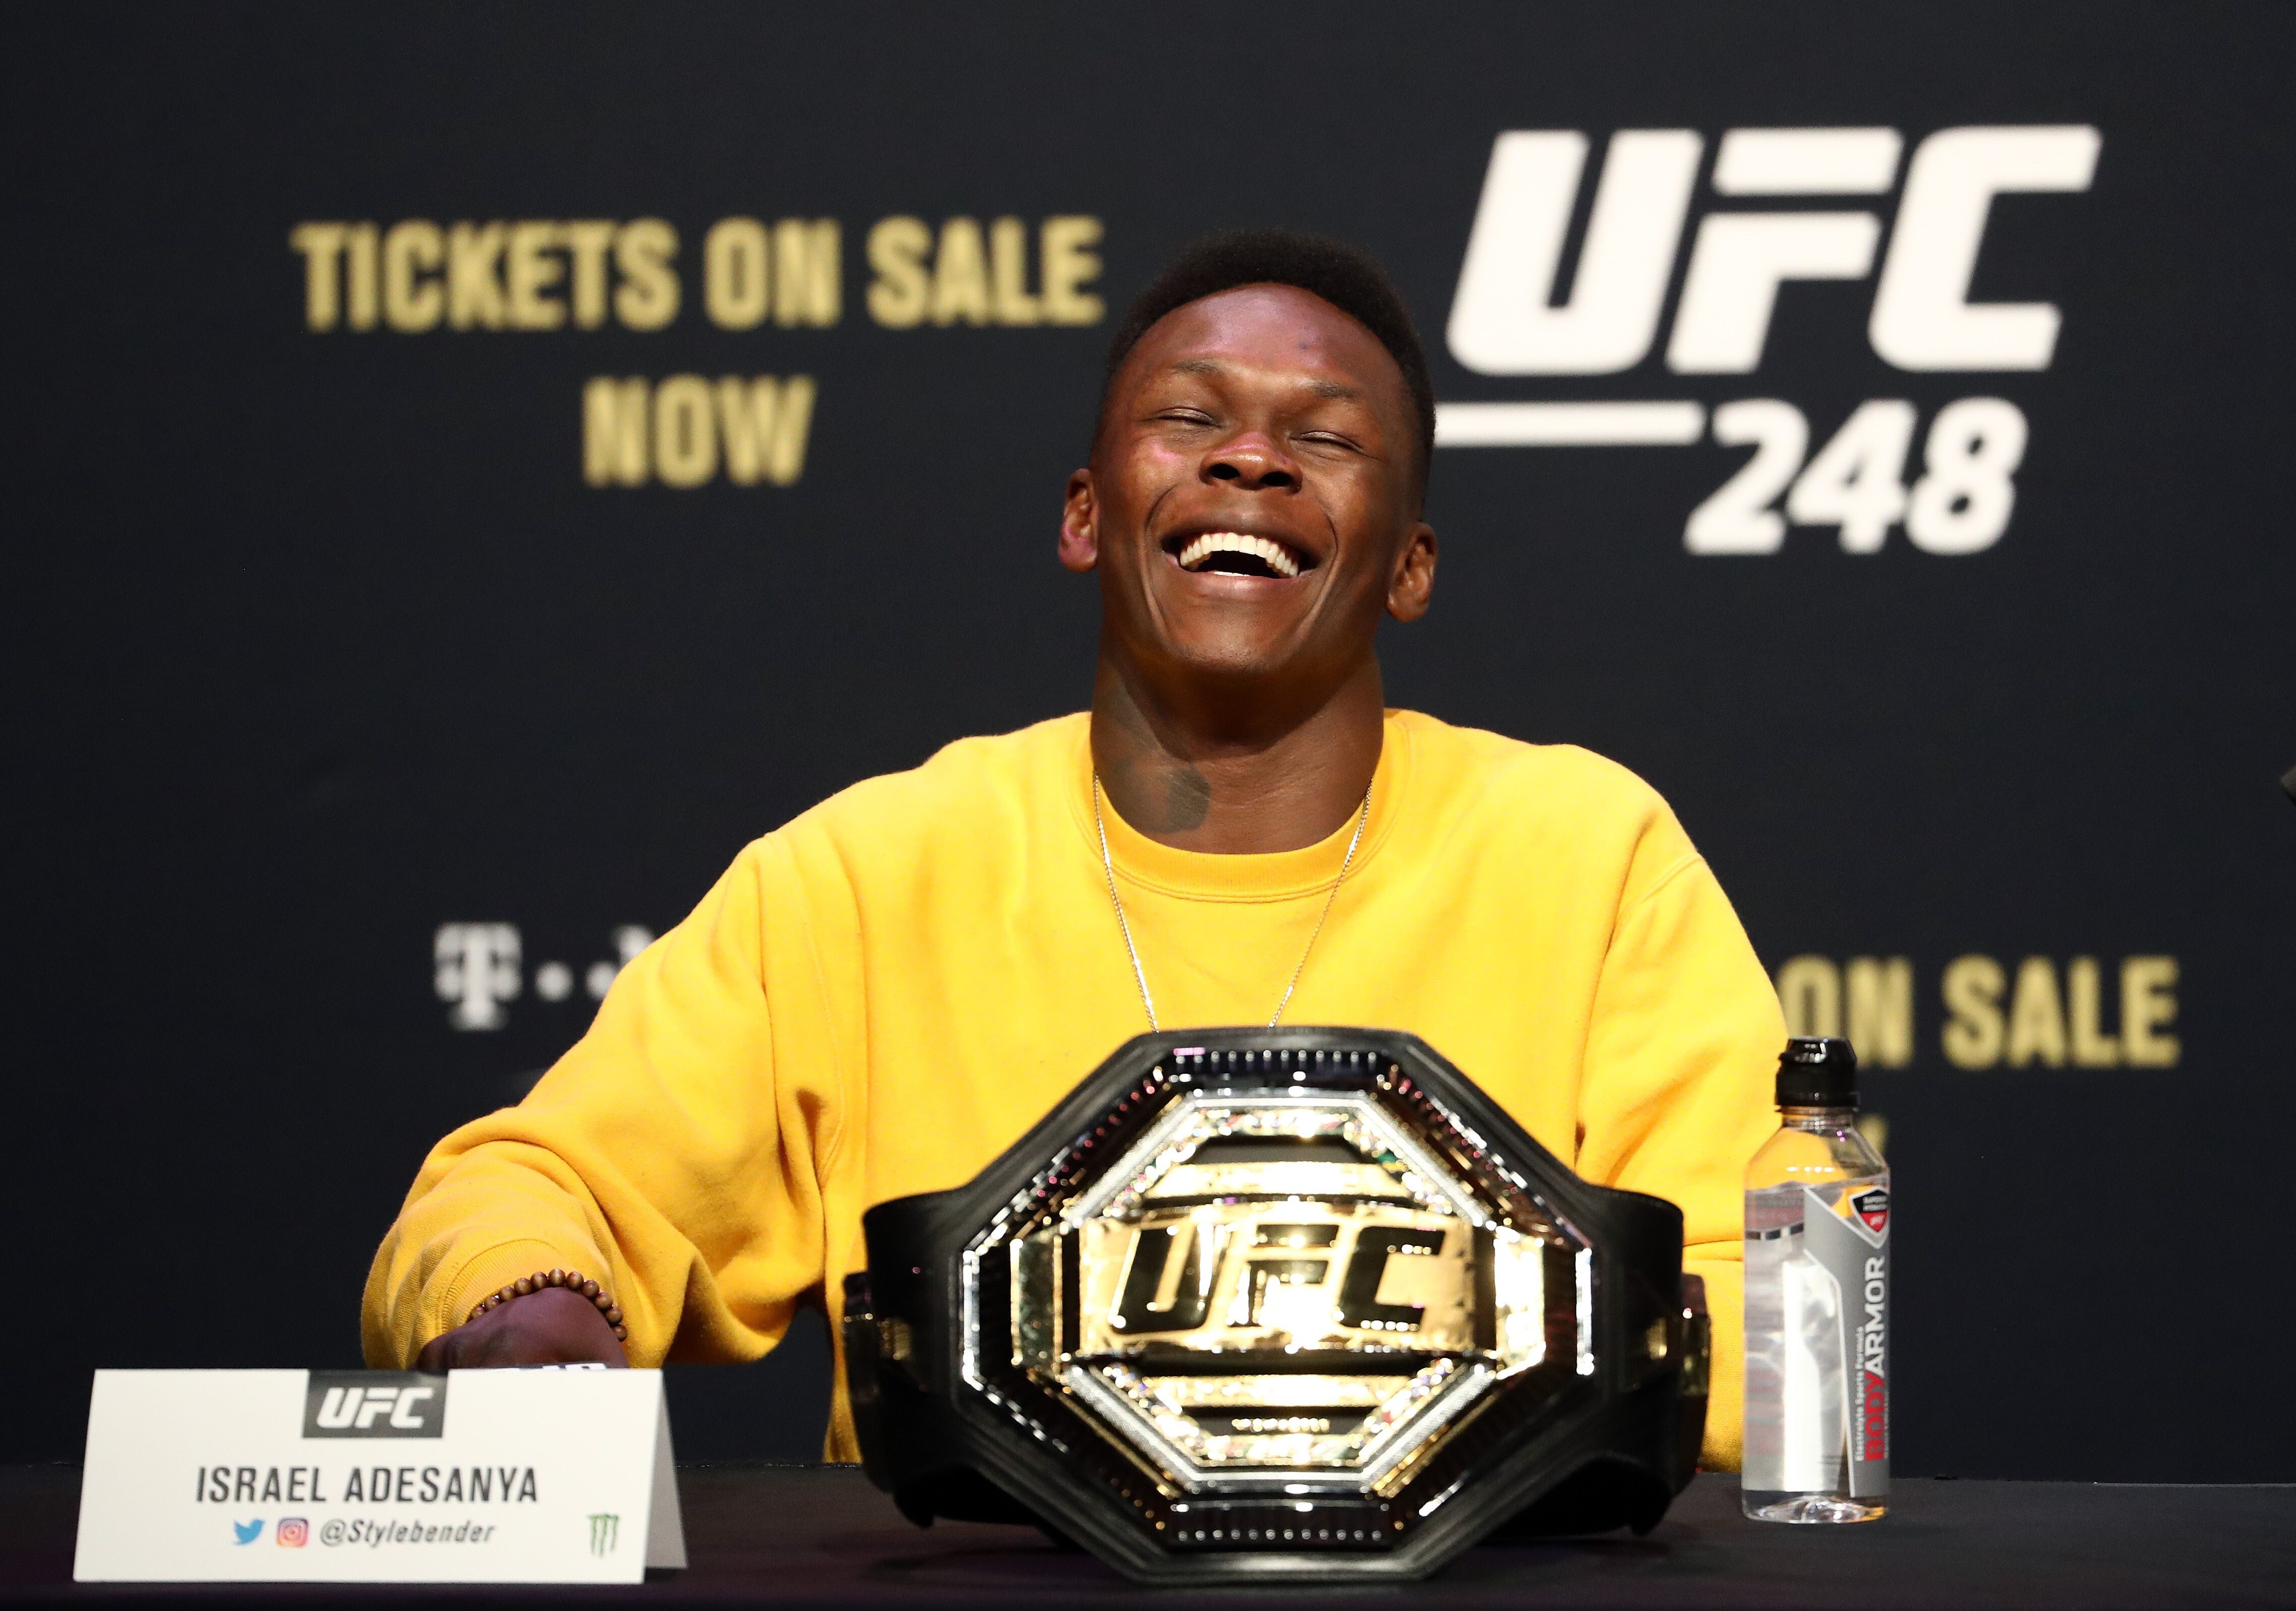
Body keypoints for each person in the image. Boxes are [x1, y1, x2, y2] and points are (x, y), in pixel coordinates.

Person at [365, 229, 1784, 1470]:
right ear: (1084, 514)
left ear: (1408, 564)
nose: (1250, 456)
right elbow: (528, 1191)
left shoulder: (1588, 857)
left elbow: (1763, 1332)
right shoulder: (868, 877)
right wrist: (530, 1313)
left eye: (1324, 436)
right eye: (1190, 418)